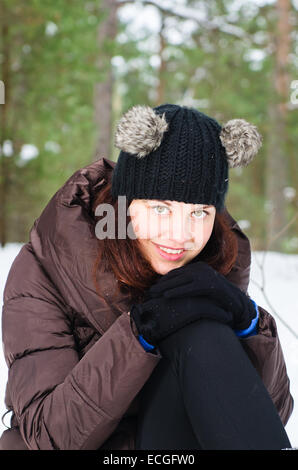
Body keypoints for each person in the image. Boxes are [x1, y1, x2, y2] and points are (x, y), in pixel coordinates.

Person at [0, 103, 293, 450]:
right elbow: (47, 437)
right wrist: (140, 332)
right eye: (160, 208)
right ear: (124, 204)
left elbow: (265, 417)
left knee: (202, 328)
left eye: (199, 212)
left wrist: (248, 324)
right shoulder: (49, 264)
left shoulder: (217, 260)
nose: (180, 235)